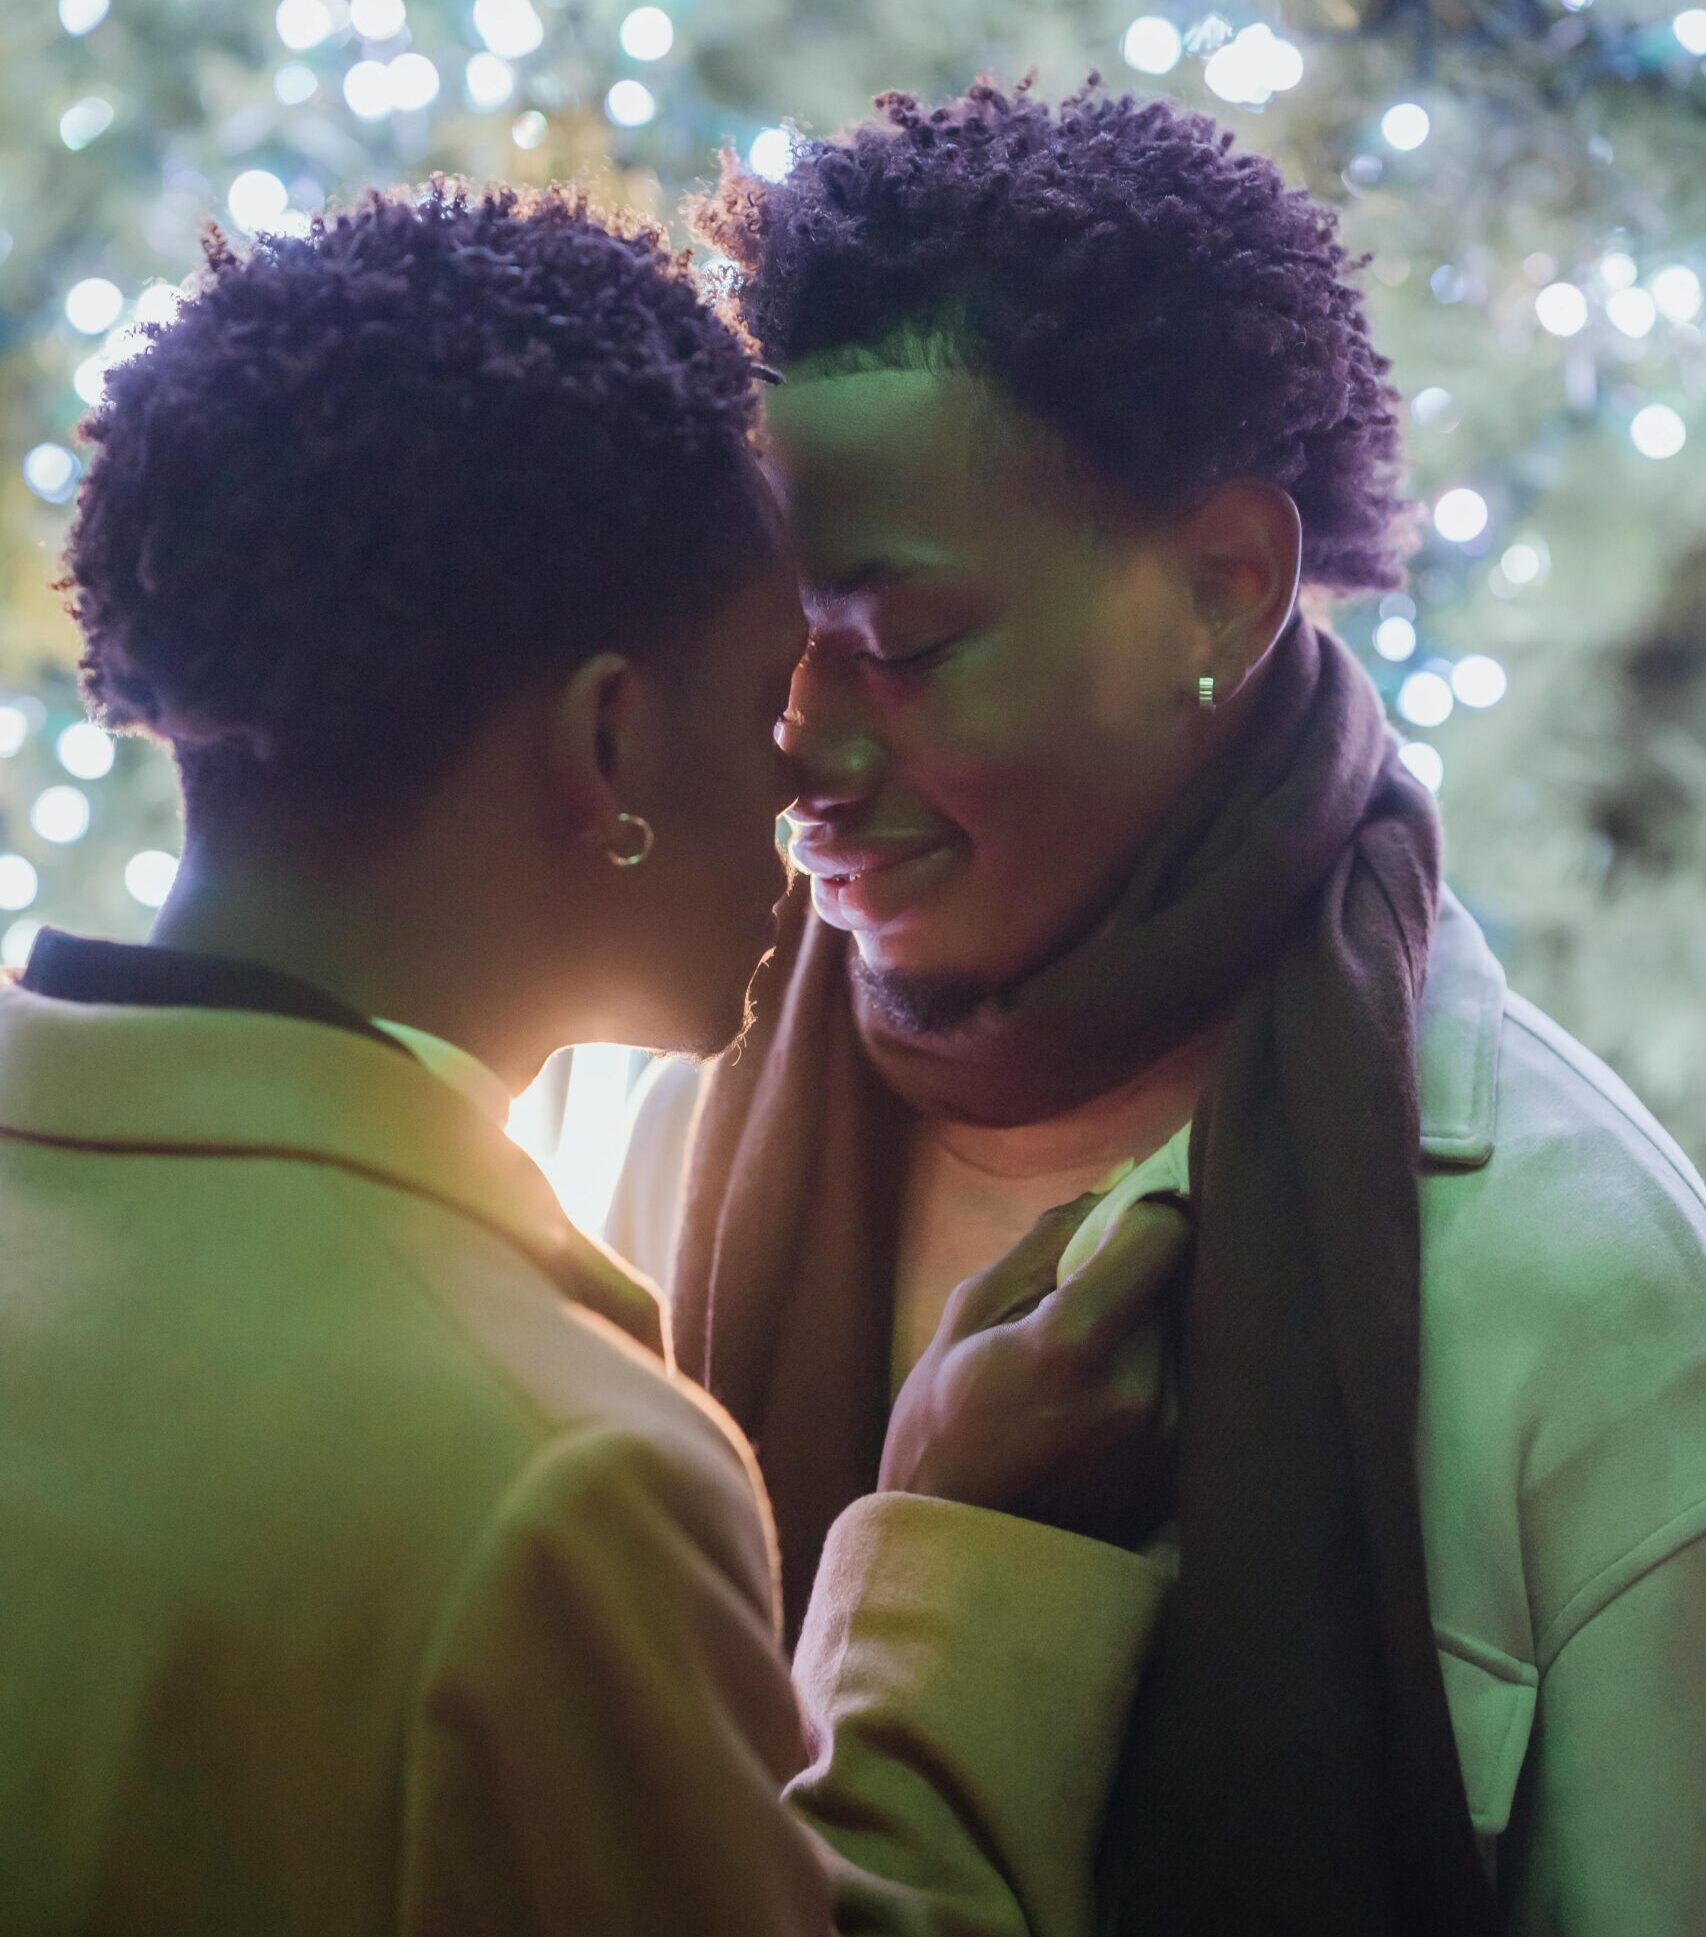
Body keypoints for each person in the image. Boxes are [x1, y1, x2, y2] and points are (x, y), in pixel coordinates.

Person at [0, 183, 1188, 1935]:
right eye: (774, 690)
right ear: (609, 740)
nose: (805, 788)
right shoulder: (549, 1480)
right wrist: (959, 1558)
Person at [607, 81, 1706, 1935]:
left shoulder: (1579, 1288)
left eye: (903, 648)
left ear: (1223, 584)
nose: (803, 749)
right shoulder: (642, 1132)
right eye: (770, 652)